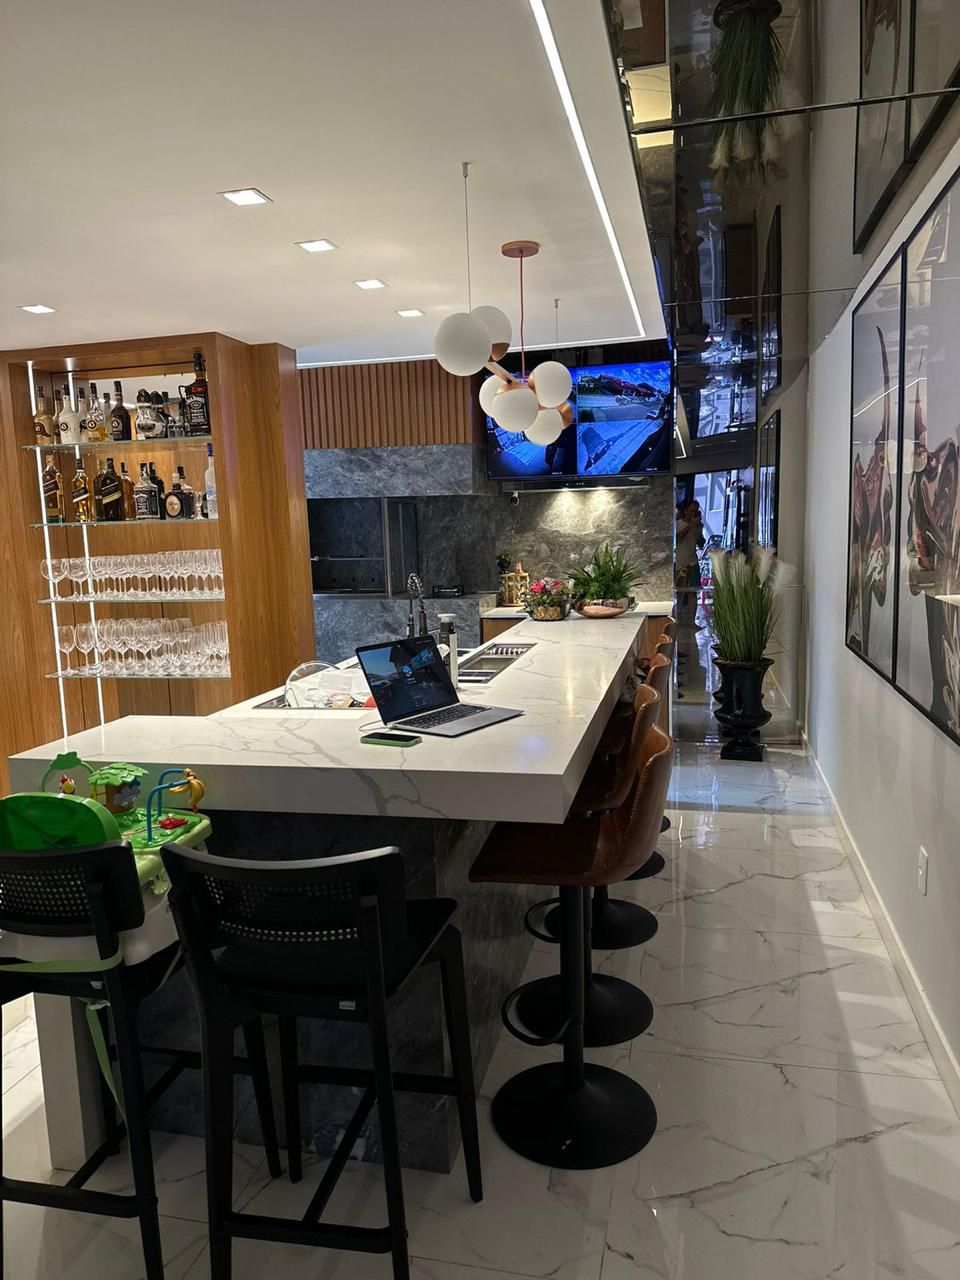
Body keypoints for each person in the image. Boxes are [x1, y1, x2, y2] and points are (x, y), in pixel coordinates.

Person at [675, 499, 705, 626]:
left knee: (692, 593)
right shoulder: (678, 524)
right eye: (691, 510)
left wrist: (698, 530)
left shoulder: (697, 526)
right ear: (685, 511)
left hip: (693, 562)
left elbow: (701, 544)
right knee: (680, 593)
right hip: (681, 562)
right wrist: (690, 526)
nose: (693, 513)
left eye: (695, 511)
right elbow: (677, 539)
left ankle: (692, 622)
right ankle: (676, 620)